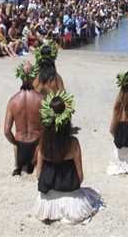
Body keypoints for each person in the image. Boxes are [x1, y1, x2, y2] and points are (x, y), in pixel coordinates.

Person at [34, 91, 103, 224]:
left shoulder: (43, 143)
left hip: (48, 198)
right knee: (92, 196)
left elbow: (38, 175)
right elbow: (80, 177)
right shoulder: (73, 143)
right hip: (71, 195)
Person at [4, 61, 44, 176]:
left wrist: (16, 143)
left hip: (21, 148)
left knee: (16, 147)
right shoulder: (41, 99)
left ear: (20, 76)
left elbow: (7, 131)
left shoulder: (13, 101)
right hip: (37, 147)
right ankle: (35, 164)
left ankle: (19, 166)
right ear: (35, 76)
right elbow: (49, 126)